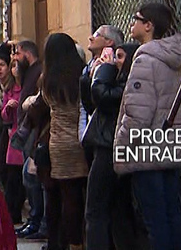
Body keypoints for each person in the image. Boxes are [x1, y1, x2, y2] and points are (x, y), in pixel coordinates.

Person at [113, 2, 181, 250]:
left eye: (136, 19)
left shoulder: (145, 58)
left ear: (148, 26)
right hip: (172, 146)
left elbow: (137, 113)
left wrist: (122, 145)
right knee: (172, 215)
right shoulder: (176, 57)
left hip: (147, 149)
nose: (131, 23)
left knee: (155, 222)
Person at [84, 41, 144, 250]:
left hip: (111, 148)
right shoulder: (114, 80)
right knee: (118, 210)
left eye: (119, 57)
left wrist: (104, 70)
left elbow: (103, 97)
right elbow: (90, 101)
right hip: (110, 146)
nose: (114, 62)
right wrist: (90, 76)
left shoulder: (128, 85)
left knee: (98, 210)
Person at [38, 33, 89, 250]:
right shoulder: (82, 75)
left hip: (58, 143)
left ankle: (66, 243)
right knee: (81, 194)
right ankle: (81, 241)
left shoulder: (47, 79)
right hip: (80, 139)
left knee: (65, 196)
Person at [12, 39, 45, 240]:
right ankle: (34, 219)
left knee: (32, 176)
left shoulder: (39, 71)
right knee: (29, 176)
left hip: (36, 130)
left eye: (17, 53)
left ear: (27, 53)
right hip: (28, 130)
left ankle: (38, 220)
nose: (15, 58)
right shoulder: (27, 73)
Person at [0, 54, 26, 225]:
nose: (14, 70)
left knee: (21, 176)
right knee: (9, 173)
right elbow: (4, 115)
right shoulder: (9, 89)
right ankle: (11, 212)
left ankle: (17, 210)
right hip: (12, 133)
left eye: (15, 66)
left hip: (24, 133)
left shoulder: (26, 88)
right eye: (12, 66)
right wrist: (8, 107)